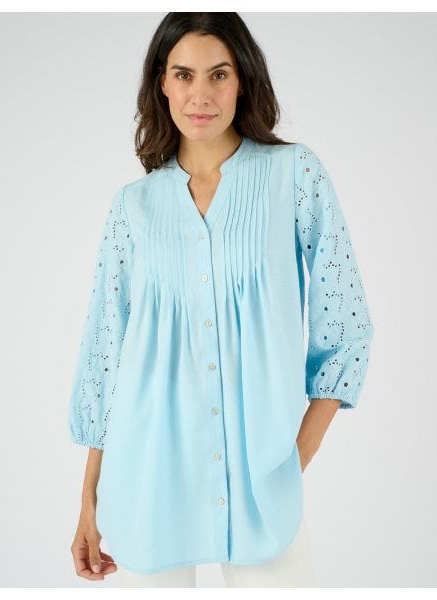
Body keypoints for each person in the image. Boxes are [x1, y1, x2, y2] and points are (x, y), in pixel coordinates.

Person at [68, 13, 374, 588]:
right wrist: (89, 498)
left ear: (242, 80)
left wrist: (293, 460)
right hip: (146, 476)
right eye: (184, 75)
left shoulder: (294, 175)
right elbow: (105, 354)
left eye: (219, 74)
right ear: (162, 83)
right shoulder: (132, 207)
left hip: (264, 487)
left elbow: (344, 321)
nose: (201, 94)